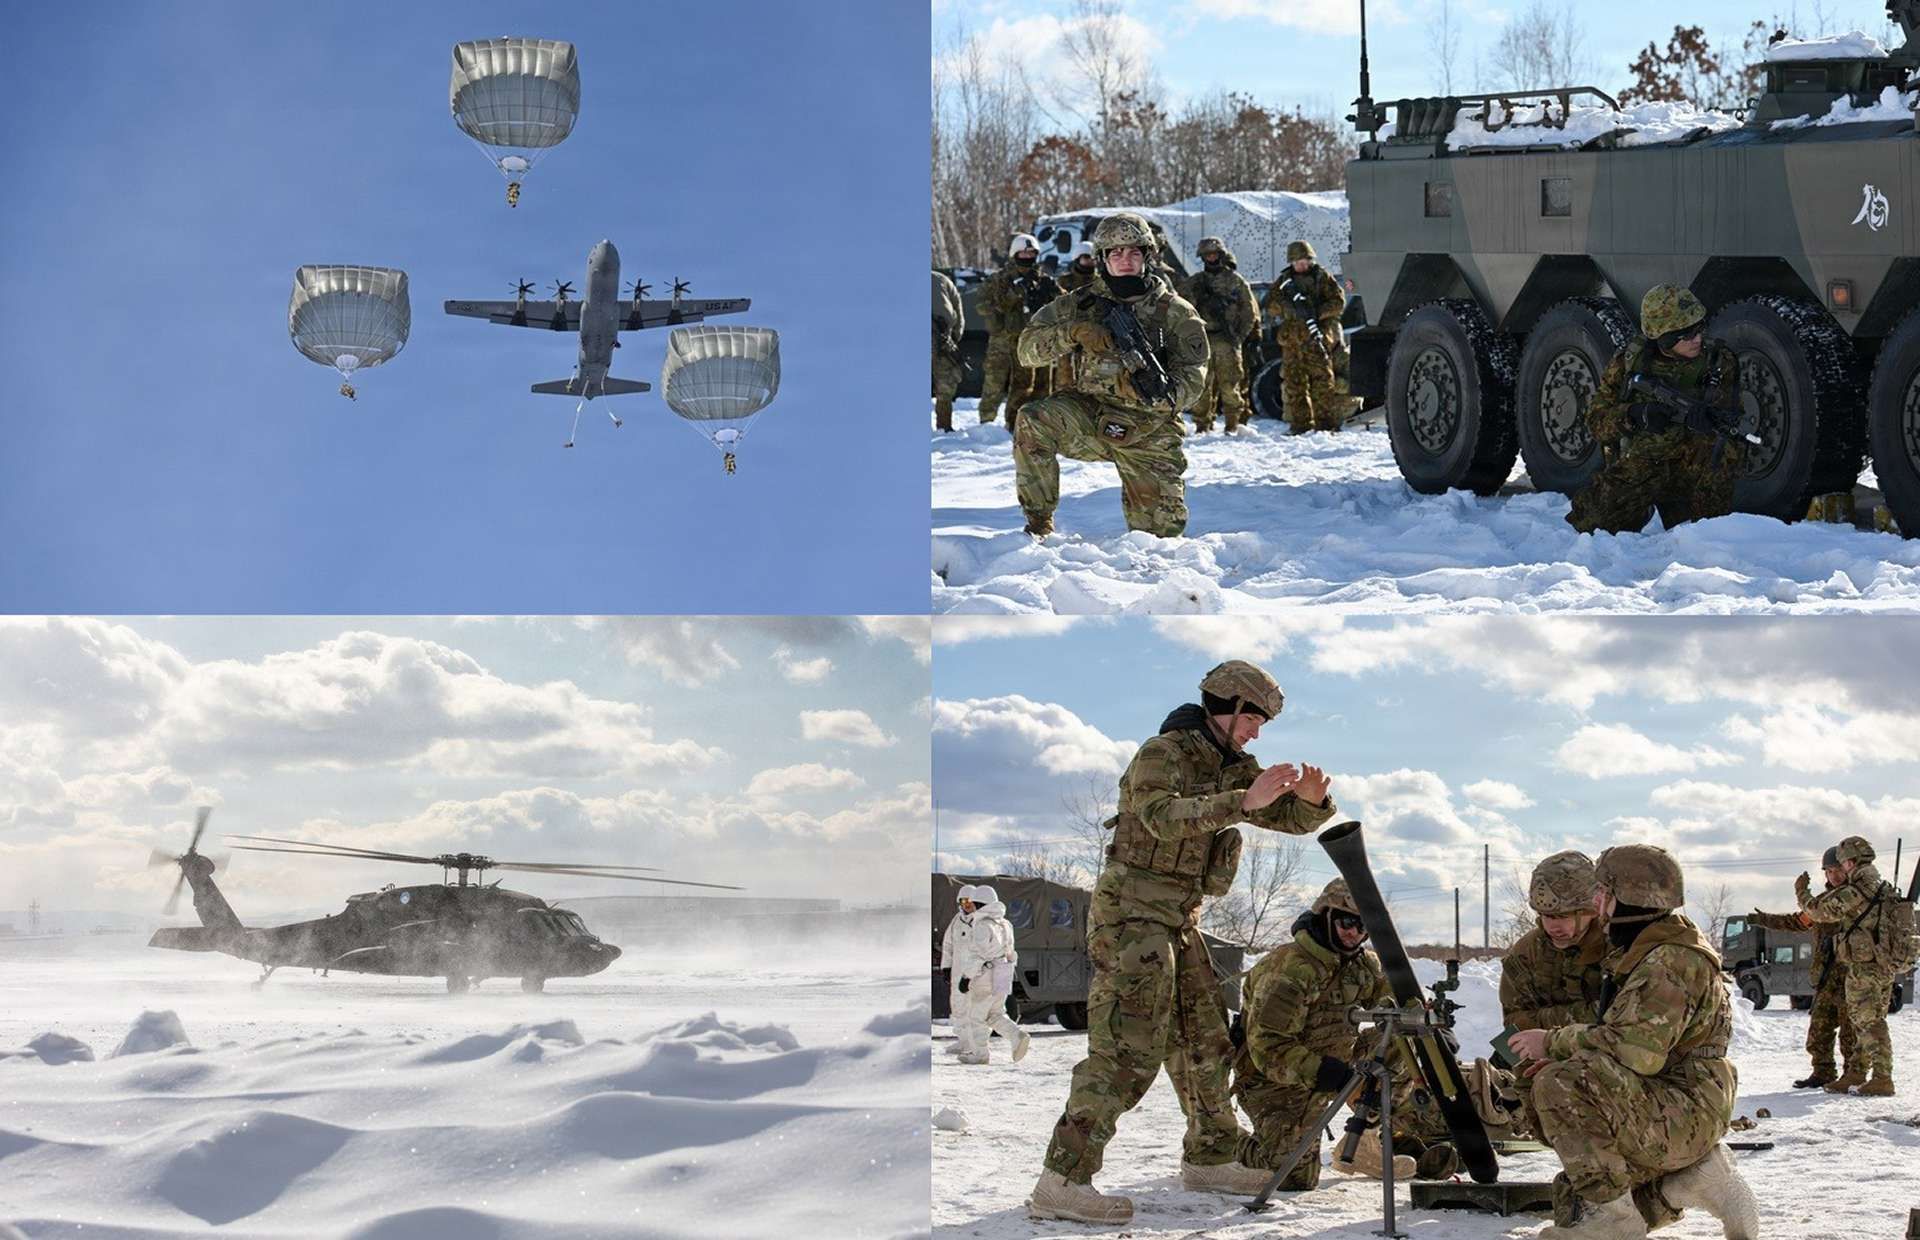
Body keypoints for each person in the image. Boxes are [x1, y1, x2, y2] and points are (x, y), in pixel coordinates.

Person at [1028, 660, 1337, 1225]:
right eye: (1254, 719)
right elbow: (1160, 815)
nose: (1257, 733)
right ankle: (1062, 1179)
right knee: (1127, 1049)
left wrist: (1313, 803)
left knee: (1206, 1040)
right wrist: (1242, 801)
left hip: (1177, 920)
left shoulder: (1231, 764)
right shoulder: (1162, 752)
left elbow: (1280, 815)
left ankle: (1211, 1156)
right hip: (1131, 919)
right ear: (1230, 706)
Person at [1510, 844, 1758, 1240]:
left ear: (1621, 899)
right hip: (1671, 1097)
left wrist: (1554, 1042)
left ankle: (1616, 1221)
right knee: (1571, 1202)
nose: (1597, 903)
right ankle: (1689, 1182)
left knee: (1559, 1082)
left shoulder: (1670, 960)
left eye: (1602, 894)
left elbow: (1634, 1049)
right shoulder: (1650, 946)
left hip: (1684, 1101)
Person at [1011, 212, 1209, 540]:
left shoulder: (1176, 311)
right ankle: (1037, 526)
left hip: (1150, 428)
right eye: (1115, 253)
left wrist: (1156, 393)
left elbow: (1194, 378)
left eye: (1134, 252)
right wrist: (1072, 332)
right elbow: (1026, 351)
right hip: (1090, 416)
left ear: (1147, 255)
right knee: (1032, 419)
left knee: (1159, 542)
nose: (1125, 260)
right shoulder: (1082, 303)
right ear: (1102, 258)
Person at [1231, 879, 1422, 1191]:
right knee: (1293, 1176)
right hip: (1275, 1081)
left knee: (1401, 1034)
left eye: (1363, 926)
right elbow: (1268, 1048)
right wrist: (1324, 1073)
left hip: (1336, 1066)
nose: (1354, 933)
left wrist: (1420, 1020)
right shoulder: (1289, 968)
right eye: (1348, 922)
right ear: (1325, 915)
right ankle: (1226, 1141)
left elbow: (1392, 1002)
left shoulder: (1363, 964)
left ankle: (1363, 1137)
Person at [1567, 285, 1745, 535]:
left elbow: (1732, 417)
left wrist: (1707, 423)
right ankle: (1641, 508)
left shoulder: (1719, 361)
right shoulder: (1629, 362)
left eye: (1699, 328)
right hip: (1643, 463)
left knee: (1711, 531)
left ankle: (1695, 516)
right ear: (1663, 337)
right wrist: (1634, 414)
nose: (1697, 339)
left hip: (1693, 468)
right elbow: (1596, 423)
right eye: (1686, 334)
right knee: (1589, 524)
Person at [1500, 850, 1609, 1139]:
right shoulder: (1526, 953)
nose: (1551, 926)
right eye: (1545, 916)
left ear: (1589, 910)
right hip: (1537, 1058)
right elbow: (1514, 1024)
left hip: (1609, 1057)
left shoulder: (1618, 946)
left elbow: (1622, 1019)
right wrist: (1584, 1014)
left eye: (1561, 916)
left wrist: (1549, 1029)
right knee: (1502, 1071)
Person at [1797, 835, 1908, 1096]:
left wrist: (1801, 893)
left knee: (1869, 1022)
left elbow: (1818, 911)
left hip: (1865, 966)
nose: (1842, 868)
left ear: (1851, 862)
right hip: (1881, 964)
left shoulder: (1858, 889)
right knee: (1864, 1021)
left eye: (1843, 863)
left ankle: (1883, 1077)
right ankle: (1856, 1072)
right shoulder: (1880, 886)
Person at [1747, 846, 1857, 1088]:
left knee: (1851, 1032)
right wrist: (1762, 919)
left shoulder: (1855, 900)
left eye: (1837, 870)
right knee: (1819, 1029)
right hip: (1827, 977)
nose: (1834, 876)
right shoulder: (1819, 904)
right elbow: (1797, 921)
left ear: (1848, 869)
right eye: (1828, 871)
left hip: (1853, 977)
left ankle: (1853, 1075)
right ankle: (1823, 1072)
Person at [939, 884, 1032, 1065]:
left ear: (980, 903)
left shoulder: (982, 925)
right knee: (995, 1013)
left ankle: (980, 1054)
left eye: (974, 902)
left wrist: (967, 977)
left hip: (984, 976)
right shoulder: (1005, 924)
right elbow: (1011, 952)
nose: (970, 905)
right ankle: (1017, 1035)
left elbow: (978, 955)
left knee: (976, 1016)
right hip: (1003, 972)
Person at [1260, 241, 1345, 434]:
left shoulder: (1321, 277)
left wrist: (1315, 312)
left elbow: (1338, 303)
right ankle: (1300, 425)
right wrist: (1287, 308)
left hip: (1316, 339)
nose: (1302, 265)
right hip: (1292, 341)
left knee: (1323, 382)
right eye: (1298, 261)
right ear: (1291, 262)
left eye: (1305, 260)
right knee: (1294, 384)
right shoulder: (1284, 281)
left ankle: (1326, 425)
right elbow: (1270, 305)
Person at [1179, 238, 1260, 434]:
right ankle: (1202, 426)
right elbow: (1181, 307)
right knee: (1202, 386)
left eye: (1215, 254)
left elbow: (1249, 311)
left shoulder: (1235, 281)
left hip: (1227, 340)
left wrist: (1239, 336)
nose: (1212, 258)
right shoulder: (1195, 282)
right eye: (1208, 255)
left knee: (1230, 385)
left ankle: (1233, 424)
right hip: (1202, 340)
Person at [977, 234, 1059, 431]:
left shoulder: (1041, 279)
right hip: (1009, 339)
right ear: (1015, 253)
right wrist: (1013, 295)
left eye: (1031, 252)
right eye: (1024, 252)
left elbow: (1062, 302)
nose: (1028, 256)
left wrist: (1053, 292)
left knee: (1042, 384)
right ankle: (996, 424)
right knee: (1005, 383)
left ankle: (1038, 423)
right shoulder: (1001, 279)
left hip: (1038, 339)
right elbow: (984, 304)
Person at [933, 269, 965, 434]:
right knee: (945, 383)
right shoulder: (941, 279)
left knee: (946, 383)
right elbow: (957, 306)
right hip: (941, 337)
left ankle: (943, 426)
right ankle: (943, 427)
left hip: (941, 338)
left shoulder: (941, 279)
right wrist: (956, 334)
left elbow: (956, 304)